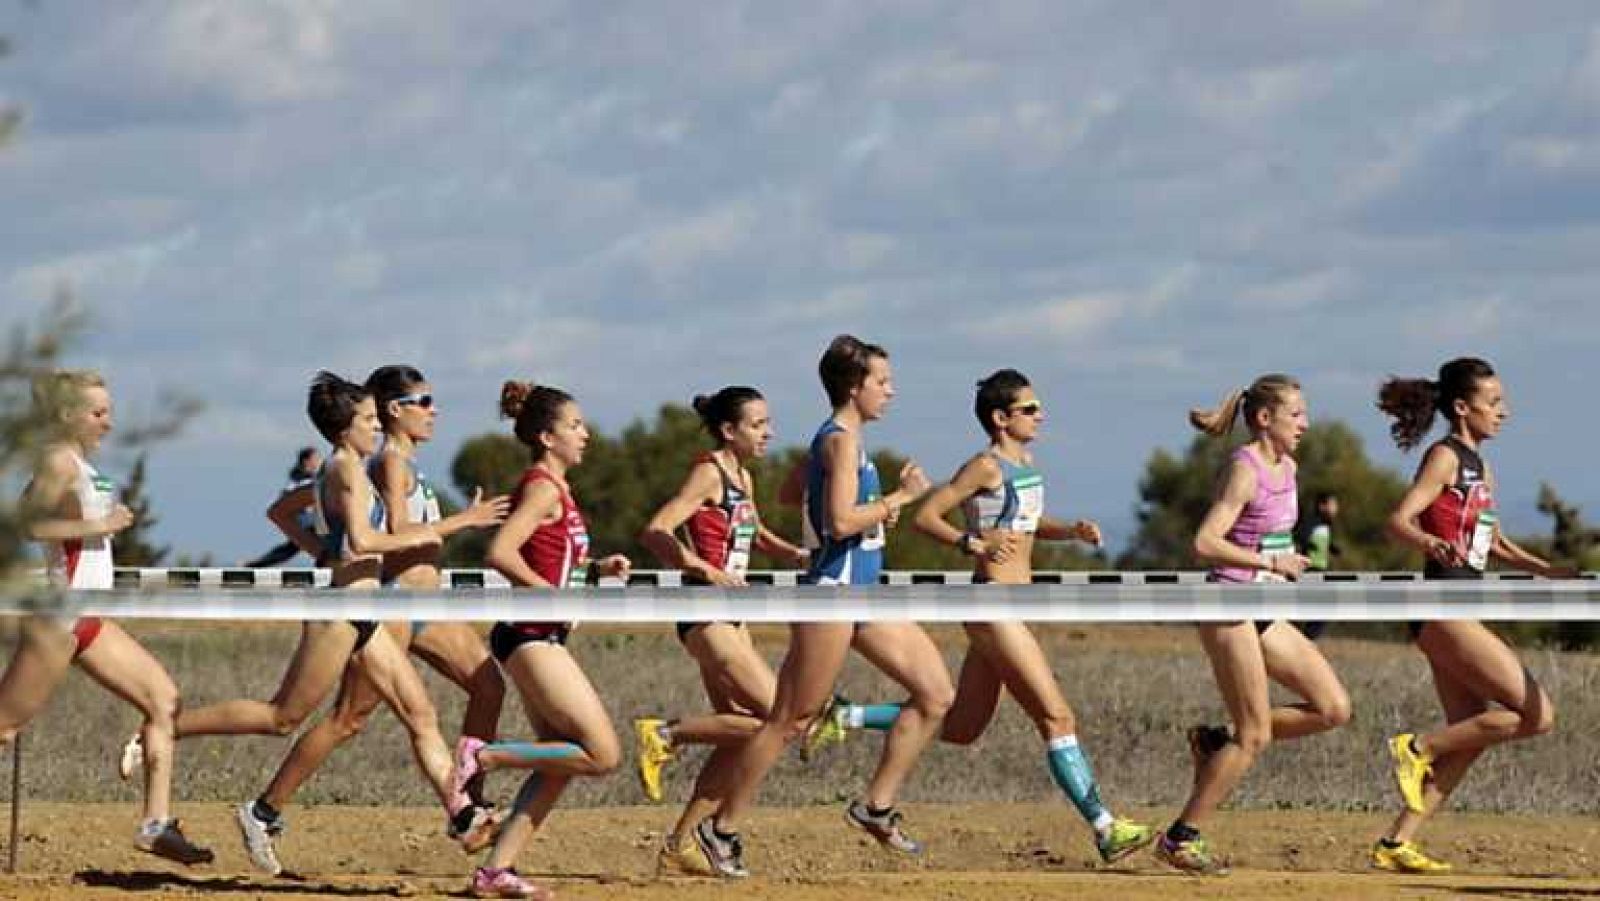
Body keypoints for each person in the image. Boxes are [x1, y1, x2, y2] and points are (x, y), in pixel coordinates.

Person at [138, 372, 485, 875]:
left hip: (367, 613)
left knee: (420, 715)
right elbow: (365, 542)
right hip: (343, 613)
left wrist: (323, 549)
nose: (375, 428)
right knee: (283, 717)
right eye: (369, 420)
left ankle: (466, 816)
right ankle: (164, 730)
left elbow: (308, 522)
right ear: (347, 428)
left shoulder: (349, 468)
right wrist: (457, 523)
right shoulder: (347, 469)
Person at [870, 368, 1155, 864]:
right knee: (1057, 716)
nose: (1040, 415)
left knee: (961, 727)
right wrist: (972, 542)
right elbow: (926, 516)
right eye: (1029, 409)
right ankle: (1106, 827)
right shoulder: (984, 466)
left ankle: (844, 715)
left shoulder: (1026, 463)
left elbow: (1025, 525)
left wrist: (1070, 531)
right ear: (1001, 419)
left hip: (1010, 607)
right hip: (991, 604)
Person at [691, 335, 950, 879]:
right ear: (855, 388)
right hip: (832, 591)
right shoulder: (839, 443)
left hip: (864, 593)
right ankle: (721, 829)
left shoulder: (838, 442)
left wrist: (870, 509)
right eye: (882, 382)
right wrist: (897, 500)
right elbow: (837, 522)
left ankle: (875, 807)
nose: (891, 391)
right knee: (790, 720)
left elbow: (794, 497)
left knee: (935, 694)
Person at [233, 366, 510, 864]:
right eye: (423, 401)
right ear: (394, 409)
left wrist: (323, 544)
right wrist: (462, 522)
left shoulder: (400, 462)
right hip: (394, 608)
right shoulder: (385, 463)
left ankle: (470, 803)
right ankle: (264, 808)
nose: (434, 410)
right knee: (347, 721)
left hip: (428, 608)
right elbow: (390, 527)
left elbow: (291, 508)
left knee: (488, 685)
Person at [0, 370, 213, 865]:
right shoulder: (57, 459)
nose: (108, 423)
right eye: (98, 413)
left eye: (108, 412)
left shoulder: (78, 462)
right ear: (65, 415)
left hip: (90, 617)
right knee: (5, 728)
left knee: (164, 700)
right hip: (60, 615)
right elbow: (27, 523)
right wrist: (99, 523)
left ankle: (155, 826)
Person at [1371, 358, 1568, 873]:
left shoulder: (1481, 464)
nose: (1504, 412)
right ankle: (1417, 746)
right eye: (1494, 402)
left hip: (1459, 604)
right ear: (1462, 407)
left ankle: (1395, 844)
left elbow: (1492, 541)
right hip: (1442, 606)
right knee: (1535, 714)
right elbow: (1397, 521)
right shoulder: (1444, 458)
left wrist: (1548, 570)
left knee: (1475, 730)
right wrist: (1432, 543)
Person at [1154, 374, 1352, 875]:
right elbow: (1205, 543)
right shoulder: (1243, 470)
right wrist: (1270, 565)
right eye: (1297, 414)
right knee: (1256, 734)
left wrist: (1285, 561)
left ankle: (1216, 742)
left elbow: (1271, 537)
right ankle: (1181, 837)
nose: (1306, 423)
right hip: (1228, 605)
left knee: (1332, 708)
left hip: (1264, 606)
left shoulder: (1289, 466)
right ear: (1265, 419)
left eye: (1305, 414)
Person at [448, 380, 630, 900]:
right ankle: (483, 758)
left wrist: (596, 570)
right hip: (531, 636)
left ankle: (494, 872)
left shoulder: (558, 489)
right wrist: (547, 593)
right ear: (548, 438)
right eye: (575, 426)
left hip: (541, 634)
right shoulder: (543, 486)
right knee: (602, 754)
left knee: (558, 764)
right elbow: (501, 552)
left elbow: (551, 559)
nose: (586, 434)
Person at [635, 386, 808, 874]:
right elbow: (656, 530)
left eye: (768, 422)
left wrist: (792, 554)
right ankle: (666, 734)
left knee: (744, 735)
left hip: (734, 615)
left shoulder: (742, 477)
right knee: (783, 718)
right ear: (729, 431)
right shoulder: (708, 471)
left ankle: (678, 844)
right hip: (705, 611)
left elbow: (755, 532)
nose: (769, 432)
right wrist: (703, 570)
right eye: (758, 424)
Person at [245, 447, 321, 568]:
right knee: (302, 548)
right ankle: (254, 565)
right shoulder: (300, 481)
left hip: (308, 522)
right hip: (305, 523)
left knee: (291, 549)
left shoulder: (310, 479)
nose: (319, 462)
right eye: (316, 459)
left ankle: (255, 565)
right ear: (307, 461)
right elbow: (286, 499)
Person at [1294, 491, 1340, 572]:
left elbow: (1324, 542)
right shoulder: (1312, 522)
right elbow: (1300, 536)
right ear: (1322, 506)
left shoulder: (1327, 524)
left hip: (1322, 565)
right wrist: (1309, 545)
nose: (1335, 508)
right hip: (1309, 566)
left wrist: (1332, 548)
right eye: (1332, 505)